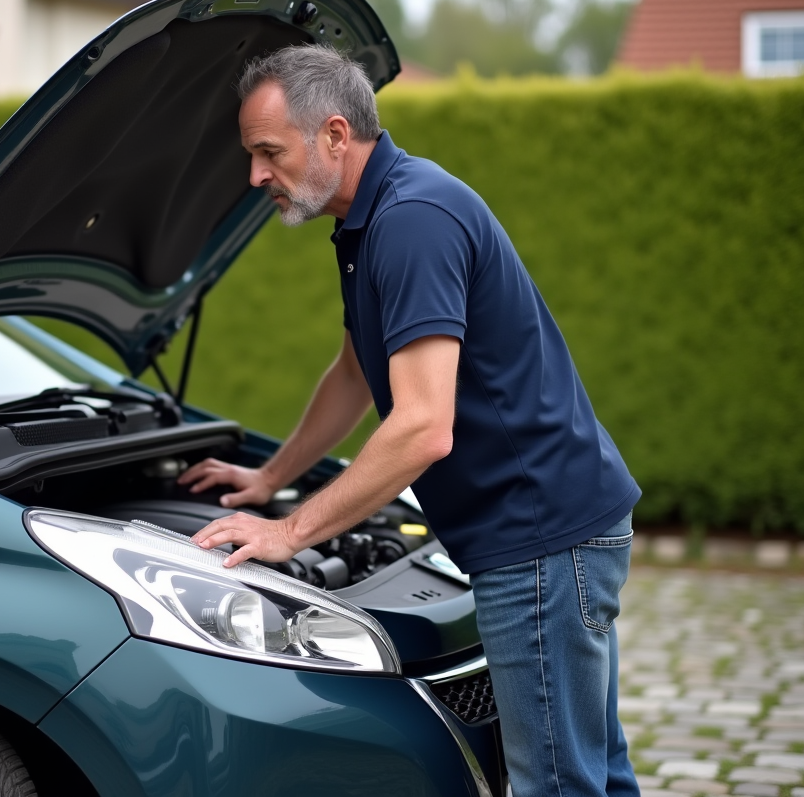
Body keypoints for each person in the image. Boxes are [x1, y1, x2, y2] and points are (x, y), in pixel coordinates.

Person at [179, 44, 641, 797]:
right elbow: (356, 373)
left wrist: (290, 533)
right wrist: (270, 479)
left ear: (334, 135)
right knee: (593, 773)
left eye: (268, 152)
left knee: (558, 784)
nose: (254, 176)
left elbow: (425, 427)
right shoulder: (370, 221)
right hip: (551, 530)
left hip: (540, 540)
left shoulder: (411, 221)